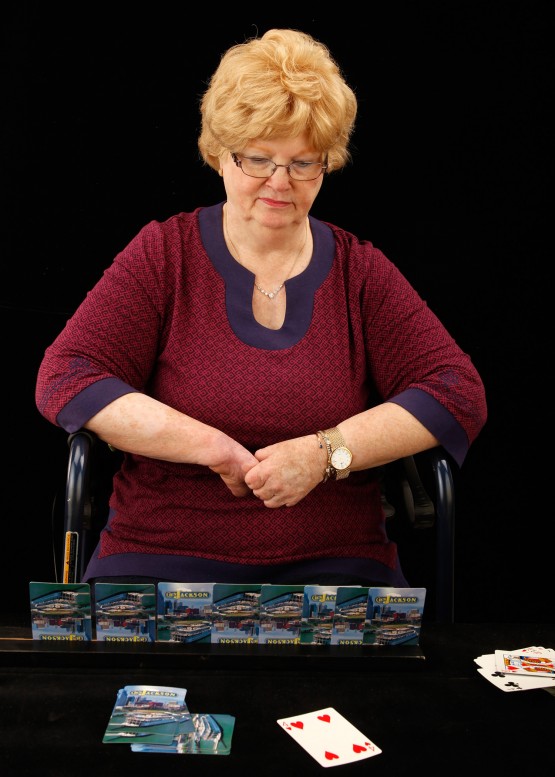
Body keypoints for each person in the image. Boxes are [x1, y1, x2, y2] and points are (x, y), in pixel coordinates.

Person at [35, 28, 487, 591]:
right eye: (258, 159)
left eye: (304, 163)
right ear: (219, 154)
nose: (280, 183)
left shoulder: (359, 271)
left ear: (328, 164)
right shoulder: (163, 255)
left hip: (336, 566)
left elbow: (455, 390)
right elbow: (67, 375)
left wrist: (326, 454)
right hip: (158, 556)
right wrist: (213, 448)